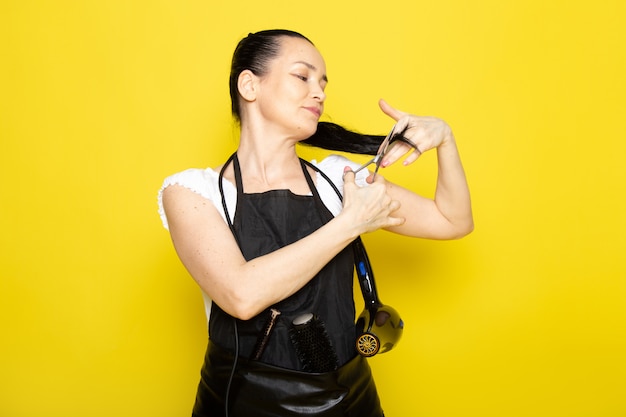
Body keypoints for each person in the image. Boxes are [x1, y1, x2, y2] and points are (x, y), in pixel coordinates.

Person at [158, 29, 473, 417]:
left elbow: (452, 220)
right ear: (249, 85)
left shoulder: (337, 179)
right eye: (302, 77)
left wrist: (446, 140)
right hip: (244, 400)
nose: (320, 92)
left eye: (323, 82)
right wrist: (349, 223)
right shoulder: (192, 191)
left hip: (350, 396)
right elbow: (241, 295)